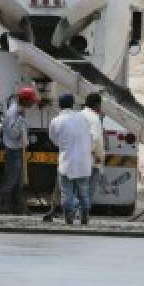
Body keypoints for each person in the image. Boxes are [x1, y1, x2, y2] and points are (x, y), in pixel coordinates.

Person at [48, 93, 94, 225]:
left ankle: (69, 219)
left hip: (67, 162)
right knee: (83, 193)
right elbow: (90, 137)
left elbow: (54, 140)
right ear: (72, 104)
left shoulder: (56, 121)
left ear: (59, 105)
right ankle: (85, 218)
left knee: (67, 194)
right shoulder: (83, 118)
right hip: (84, 162)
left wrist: (64, 145)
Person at [0, 86, 38, 214]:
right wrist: (20, 119)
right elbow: (13, 134)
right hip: (13, 150)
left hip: (18, 149)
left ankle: (18, 207)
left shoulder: (20, 110)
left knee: (18, 181)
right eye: (32, 101)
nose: (33, 103)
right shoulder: (14, 113)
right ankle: (5, 207)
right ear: (25, 100)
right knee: (11, 179)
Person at [82, 92, 106, 207]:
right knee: (89, 190)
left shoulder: (80, 115)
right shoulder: (94, 118)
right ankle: (82, 215)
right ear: (97, 105)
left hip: (80, 159)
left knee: (81, 189)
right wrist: (96, 155)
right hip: (92, 160)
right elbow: (95, 138)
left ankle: (75, 213)